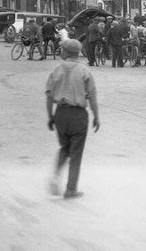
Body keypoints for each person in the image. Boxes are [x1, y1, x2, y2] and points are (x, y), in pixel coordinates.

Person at [45, 39, 100, 199]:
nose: (60, 52)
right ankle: (71, 189)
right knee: (76, 153)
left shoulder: (57, 70)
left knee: (64, 148)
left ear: (67, 52)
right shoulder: (84, 71)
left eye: (62, 50)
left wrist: (50, 116)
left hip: (61, 113)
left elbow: (49, 96)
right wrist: (96, 117)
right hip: (78, 116)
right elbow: (92, 96)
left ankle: (56, 176)